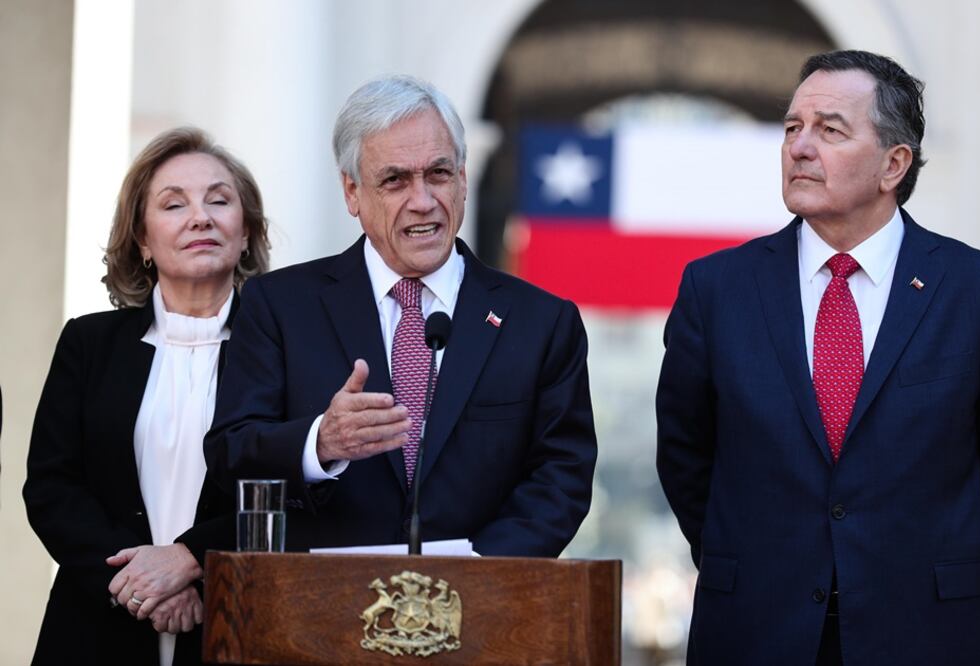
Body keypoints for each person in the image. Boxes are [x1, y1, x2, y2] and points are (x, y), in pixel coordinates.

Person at [656, 50, 980, 665]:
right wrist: (762, 565)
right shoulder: (716, 290)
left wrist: (917, 570)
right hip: (755, 628)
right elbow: (685, 457)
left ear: (894, 164)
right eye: (792, 128)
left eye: (830, 130)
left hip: (926, 631)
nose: (800, 148)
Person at [203, 75, 596, 556]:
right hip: (320, 610)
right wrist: (320, 442)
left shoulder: (542, 323)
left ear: (464, 179)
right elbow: (231, 454)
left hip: (479, 611)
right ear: (352, 192)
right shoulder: (279, 306)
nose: (423, 200)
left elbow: (560, 479)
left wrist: (475, 575)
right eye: (395, 180)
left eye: (438, 174)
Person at [24, 127, 270, 665]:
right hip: (96, 630)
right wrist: (140, 586)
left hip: (235, 627)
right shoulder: (89, 344)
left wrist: (191, 561)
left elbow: (294, 494)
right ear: (141, 238)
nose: (200, 217)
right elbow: (51, 487)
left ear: (247, 231)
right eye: (173, 204)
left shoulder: (284, 351)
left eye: (219, 200)